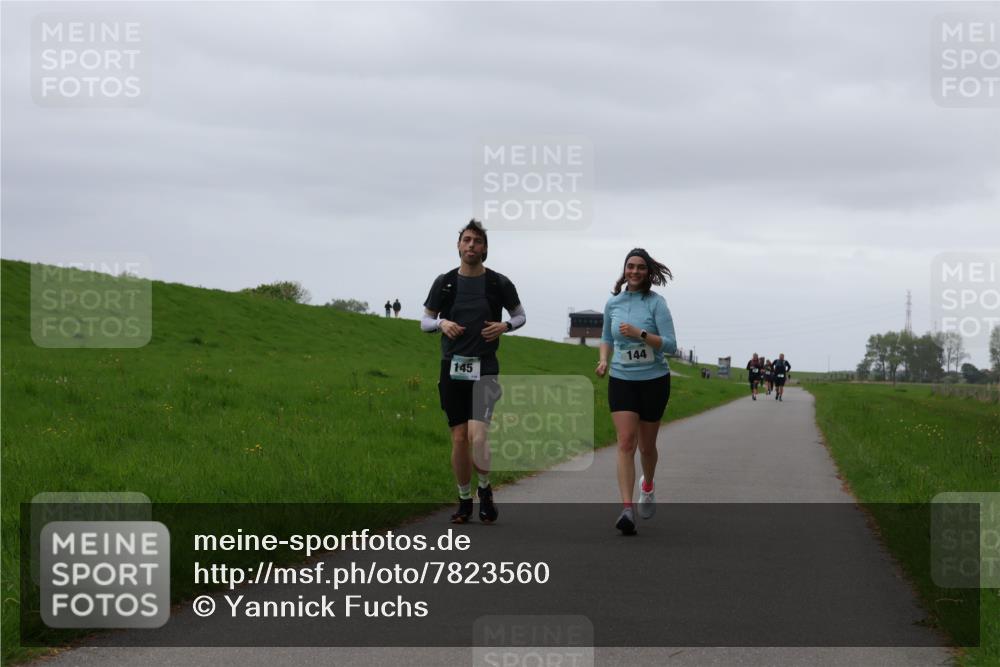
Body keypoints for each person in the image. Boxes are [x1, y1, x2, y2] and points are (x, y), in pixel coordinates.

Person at [421, 220, 526, 523]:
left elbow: (520, 315)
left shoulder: (498, 283)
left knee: (477, 436)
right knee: (458, 438)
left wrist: (505, 326)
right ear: (458, 246)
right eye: (466, 240)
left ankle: (485, 490)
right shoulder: (445, 282)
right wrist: (442, 323)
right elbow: (424, 321)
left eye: (477, 241)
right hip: (452, 367)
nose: (471, 246)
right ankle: (464, 499)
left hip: (485, 368)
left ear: (485, 249)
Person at [595, 248, 676, 536]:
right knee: (626, 442)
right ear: (624, 269)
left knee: (647, 447)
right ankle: (626, 509)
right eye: (630, 266)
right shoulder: (613, 303)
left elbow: (670, 345)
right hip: (622, 377)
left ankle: (648, 485)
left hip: (654, 379)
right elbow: (606, 338)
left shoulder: (657, 304)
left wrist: (640, 334)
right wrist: (604, 359)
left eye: (641, 267)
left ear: (648, 272)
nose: (635, 271)